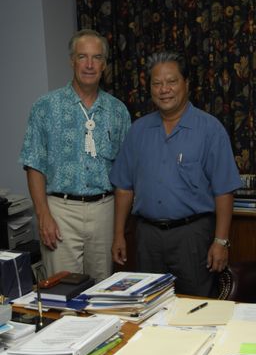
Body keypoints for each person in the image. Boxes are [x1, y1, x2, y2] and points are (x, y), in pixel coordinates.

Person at [110, 51, 241, 297]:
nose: (164, 89)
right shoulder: (138, 131)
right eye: (157, 83)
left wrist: (221, 242)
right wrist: (118, 234)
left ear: (186, 84)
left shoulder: (210, 129)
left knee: (196, 308)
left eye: (171, 81)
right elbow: (124, 187)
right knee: (149, 308)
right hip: (147, 238)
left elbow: (224, 191)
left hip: (192, 237)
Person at [19, 29, 131, 282]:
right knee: (62, 290)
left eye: (96, 58)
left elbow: (126, 174)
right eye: (83, 57)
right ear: (72, 61)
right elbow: (34, 164)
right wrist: (43, 215)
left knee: (101, 291)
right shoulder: (45, 107)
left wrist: (120, 230)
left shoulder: (118, 111)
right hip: (60, 211)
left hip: (105, 210)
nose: (89, 65)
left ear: (104, 65)